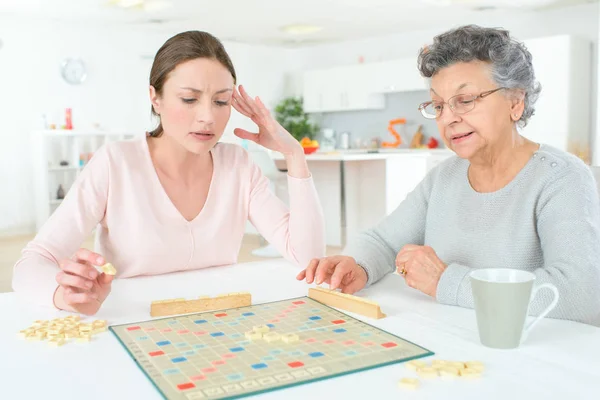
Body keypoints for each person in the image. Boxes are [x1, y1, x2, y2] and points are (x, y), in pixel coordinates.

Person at [297, 25, 600, 326]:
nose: (448, 118)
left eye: (465, 100)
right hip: (451, 345)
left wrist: (446, 282)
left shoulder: (562, 178)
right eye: (439, 105)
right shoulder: (444, 177)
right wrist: (358, 265)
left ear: (515, 102)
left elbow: (580, 294)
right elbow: (383, 241)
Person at [13, 31, 325, 315]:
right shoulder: (116, 163)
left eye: (221, 101)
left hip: (220, 322)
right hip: (133, 324)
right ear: (155, 98)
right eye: (189, 99)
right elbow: (31, 264)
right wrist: (64, 295)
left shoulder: (238, 165)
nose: (207, 117)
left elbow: (307, 256)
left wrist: (294, 154)